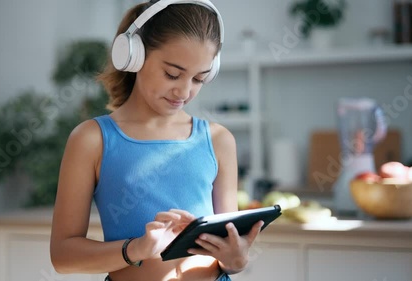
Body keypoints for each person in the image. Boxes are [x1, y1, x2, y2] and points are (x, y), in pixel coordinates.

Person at [50, 1, 264, 280]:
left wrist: (235, 260)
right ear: (133, 55)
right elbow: (63, 257)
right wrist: (136, 249)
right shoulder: (91, 139)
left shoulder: (219, 140)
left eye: (199, 78)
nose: (184, 91)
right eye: (172, 74)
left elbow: (226, 250)